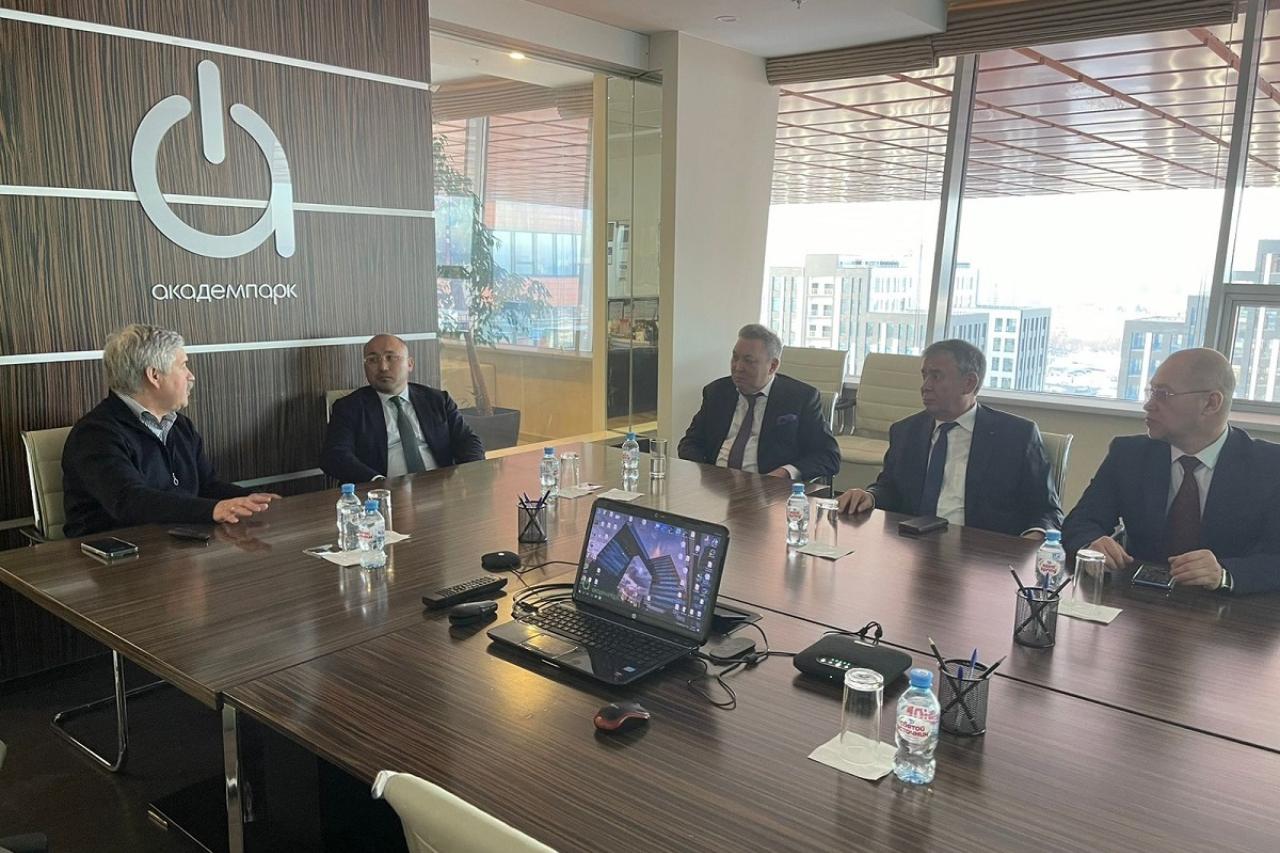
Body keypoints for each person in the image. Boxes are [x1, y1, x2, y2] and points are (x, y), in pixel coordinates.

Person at [1062, 348, 1280, 595]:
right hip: (1139, 601)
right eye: (1151, 392)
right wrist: (1091, 543)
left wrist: (1225, 574)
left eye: (1163, 394)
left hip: (1229, 609)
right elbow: (1080, 522)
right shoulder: (1129, 454)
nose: (1148, 405)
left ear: (1211, 403)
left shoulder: (1270, 466)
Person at [62, 325, 277, 537]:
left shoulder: (180, 425)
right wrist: (212, 509)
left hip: (176, 542)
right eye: (183, 366)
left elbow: (207, 486)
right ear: (154, 375)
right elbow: (129, 501)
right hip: (115, 549)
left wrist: (254, 500)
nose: (191, 376)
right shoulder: (95, 434)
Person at [837, 339, 1062, 537]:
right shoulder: (906, 431)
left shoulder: (1016, 436)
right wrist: (869, 496)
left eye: (936, 376)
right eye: (924, 376)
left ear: (969, 383)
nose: (925, 386)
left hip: (984, 554)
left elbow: (1047, 512)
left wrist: (1031, 542)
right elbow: (890, 489)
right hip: (914, 546)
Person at [677, 324, 840, 481]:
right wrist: (707, 474)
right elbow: (690, 443)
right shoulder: (717, 392)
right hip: (716, 486)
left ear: (772, 366)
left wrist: (785, 473)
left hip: (769, 488)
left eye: (749, 361)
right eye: (735, 358)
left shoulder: (800, 398)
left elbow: (828, 456)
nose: (738, 367)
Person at [321, 334, 485, 483]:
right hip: (382, 495)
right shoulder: (349, 408)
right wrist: (377, 482)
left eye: (391, 357)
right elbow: (335, 455)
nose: (383, 367)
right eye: (372, 360)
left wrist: (467, 476)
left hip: (440, 488)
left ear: (410, 364)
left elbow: (468, 441)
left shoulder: (437, 400)